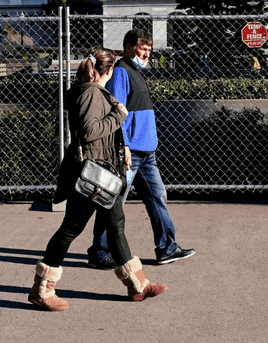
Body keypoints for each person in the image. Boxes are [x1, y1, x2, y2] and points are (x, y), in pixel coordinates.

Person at [29, 46, 167, 311]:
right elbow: (92, 130)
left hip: (103, 171)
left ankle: (138, 286)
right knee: (71, 228)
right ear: (110, 71)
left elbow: (102, 133)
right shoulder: (91, 93)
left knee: (115, 227)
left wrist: (122, 147)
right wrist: (118, 114)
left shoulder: (92, 91)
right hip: (92, 174)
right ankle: (41, 290)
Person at [86, 30, 195, 268]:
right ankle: (100, 252)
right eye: (142, 49)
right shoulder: (123, 72)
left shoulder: (136, 71)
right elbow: (117, 112)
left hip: (146, 152)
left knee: (157, 198)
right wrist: (123, 145)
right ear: (127, 47)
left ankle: (167, 248)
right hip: (130, 152)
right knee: (112, 201)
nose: (146, 53)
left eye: (149, 49)